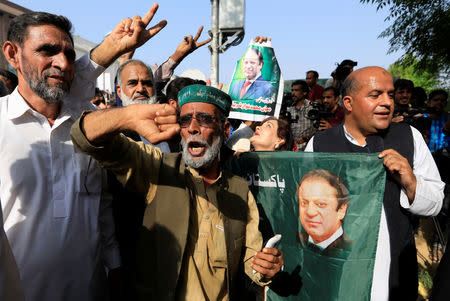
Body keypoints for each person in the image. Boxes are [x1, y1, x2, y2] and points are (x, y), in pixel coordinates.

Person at [0, 6, 167, 301]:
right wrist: (111, 49)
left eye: (68, 53)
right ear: (12, 54)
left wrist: (114, 268)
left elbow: (99, 204)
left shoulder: (89, 122)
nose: (63, 63)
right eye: (47, 51)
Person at [70, 84, 284, 300]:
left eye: (204, 119)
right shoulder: (158, 168)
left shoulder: (239, 189)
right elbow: (84, 135)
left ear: (226, 130)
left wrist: (265, 267)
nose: (192, 128)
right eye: (185, 120)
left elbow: (251, 262)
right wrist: (129, 115)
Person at [305, 66, 444, 300]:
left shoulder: (409, 137)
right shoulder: (319, 145)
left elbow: (435, 204)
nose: (387, 102)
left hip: (395, 277)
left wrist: (410, 181)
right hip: (339, 278)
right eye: (375, 94)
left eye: (390, 94)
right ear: (348, 103)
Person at [297, 169, 352, 257]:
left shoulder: (354, 250)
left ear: (341, 210)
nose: (310, 212)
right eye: (304, 203)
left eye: (321, 204)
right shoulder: (291, 242)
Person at [286, 80, 315, 150]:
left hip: (309, 148)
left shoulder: (313, 108)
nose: (293, 93)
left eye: (296, 90)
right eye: (292, 90)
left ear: (304, 92)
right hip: (293, 149)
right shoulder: (289, 108)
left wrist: (306, 138)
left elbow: (319, 129)